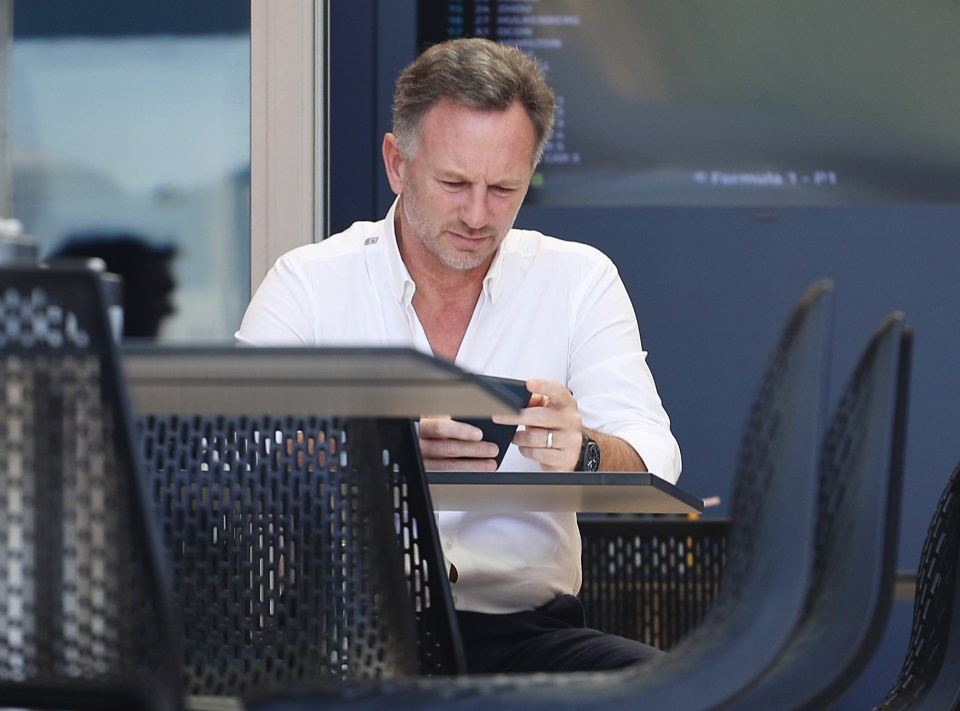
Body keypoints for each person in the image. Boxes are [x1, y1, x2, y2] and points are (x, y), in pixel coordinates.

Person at [236, 37, 682, 673]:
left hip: (526, 635)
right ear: (397, 163)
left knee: (679, 691)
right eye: (453, 183)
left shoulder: (579, 279)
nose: (478, 215)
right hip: (341, 631)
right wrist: (378, 448)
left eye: (505, 187)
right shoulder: (308, 282)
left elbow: (656, 459)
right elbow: (235, 451)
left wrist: (581, 449)